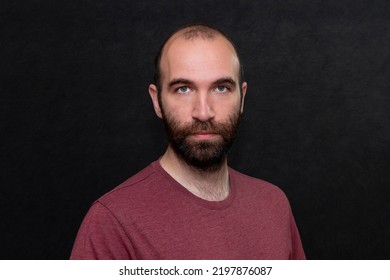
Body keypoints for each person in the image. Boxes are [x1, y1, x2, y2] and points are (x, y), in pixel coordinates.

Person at [70, 23, 305, 260]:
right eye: (183, 89)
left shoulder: (274, 204)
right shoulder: (112, 223)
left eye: (221, 88)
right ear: (156, 100)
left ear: (242, 97)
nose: (203, 112)